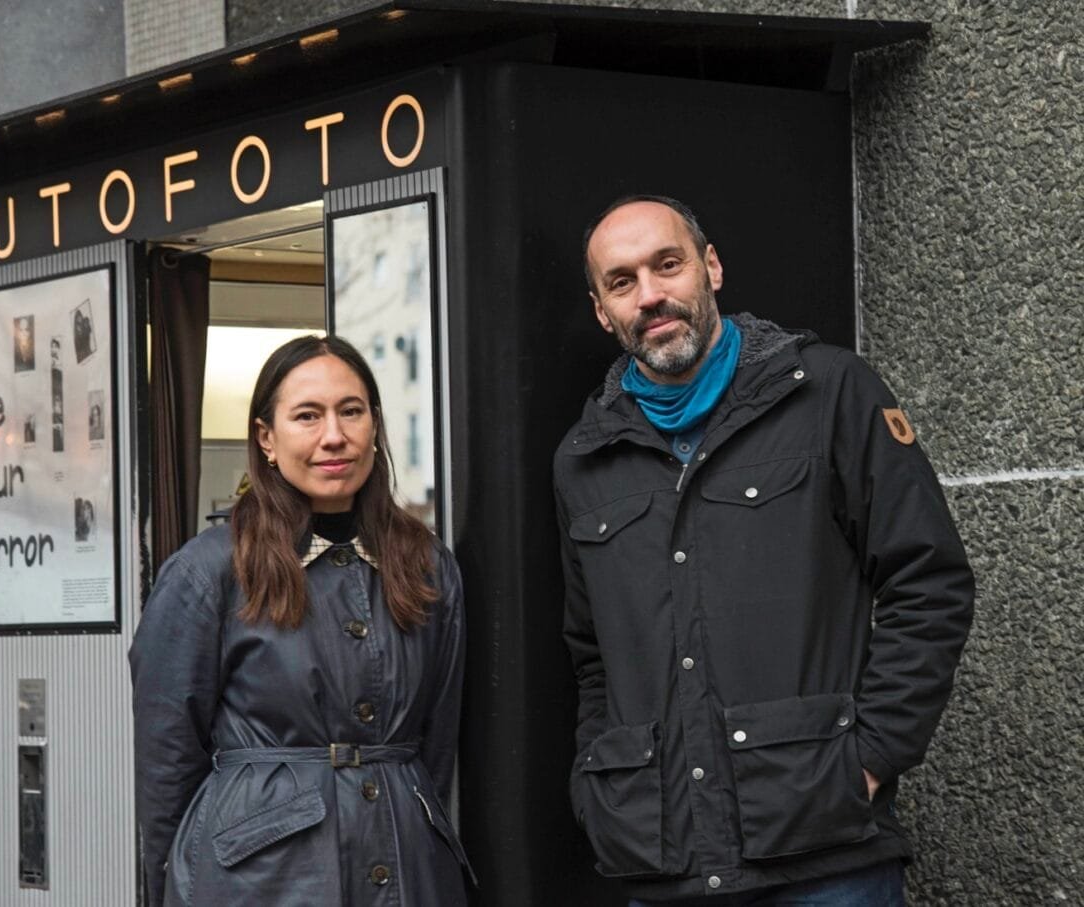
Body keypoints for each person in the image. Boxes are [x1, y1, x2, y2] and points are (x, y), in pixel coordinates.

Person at [554, 196, 974, 906]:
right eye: (622, 281)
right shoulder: (583, 458)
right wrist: (598, 785)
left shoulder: (830, 392)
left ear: (711, 268)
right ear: (602, 311)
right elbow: (593, 653)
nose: (650, 294)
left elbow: (929, 582)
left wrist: (868, 760)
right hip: (664, 863)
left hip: (825, 856)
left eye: (667, 264)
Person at [130, 335, 472, 906]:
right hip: (257, 881)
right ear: (266, 437)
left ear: (375, 425)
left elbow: (435, 747)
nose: (333, 435)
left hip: (407, 865)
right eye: (307, 416)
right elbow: (167, 763)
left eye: (351, 411)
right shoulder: (207, 571)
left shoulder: (425, 564)